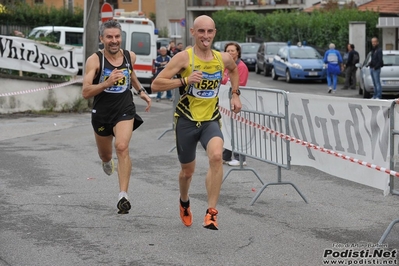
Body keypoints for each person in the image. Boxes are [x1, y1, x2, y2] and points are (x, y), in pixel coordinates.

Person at [151, 15, 242, 230]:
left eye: (209, 31)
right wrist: (184, 80)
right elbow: (156, 84)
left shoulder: (222, 58)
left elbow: (235, 69)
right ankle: (184, 201)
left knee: (217, 156)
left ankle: (211, 212)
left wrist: (235, 94)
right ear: (193, 32)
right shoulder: (184, 58)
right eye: (201, 31)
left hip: (210, 120)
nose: (206, 36)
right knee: (187, 172)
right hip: (186, 121)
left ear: (215, 33)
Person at [81, 20, 152, 214]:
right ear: (102, 38)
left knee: (122, 146)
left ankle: (123, 195)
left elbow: (131, 75)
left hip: (124, 109)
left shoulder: (130, 56)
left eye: (117, 36)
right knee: (106, 155)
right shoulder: (95, 60)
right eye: (110, 37)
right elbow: (86, 92)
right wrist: (106, 82)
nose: (114, 41)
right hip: (102, 114)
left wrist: (141, 91)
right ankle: (106, 161)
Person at [221, 42, 249, 167]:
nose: (230, 53)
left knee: (237, 130)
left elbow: (240, 83)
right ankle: (226, 155)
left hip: (237, 100)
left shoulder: (241, 66)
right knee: (228, 128)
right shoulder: (226, 65)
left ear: (238, 52)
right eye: (228, 51)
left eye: (232, 50)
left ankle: (240, 157)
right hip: (226, 100)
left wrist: (226, 81)